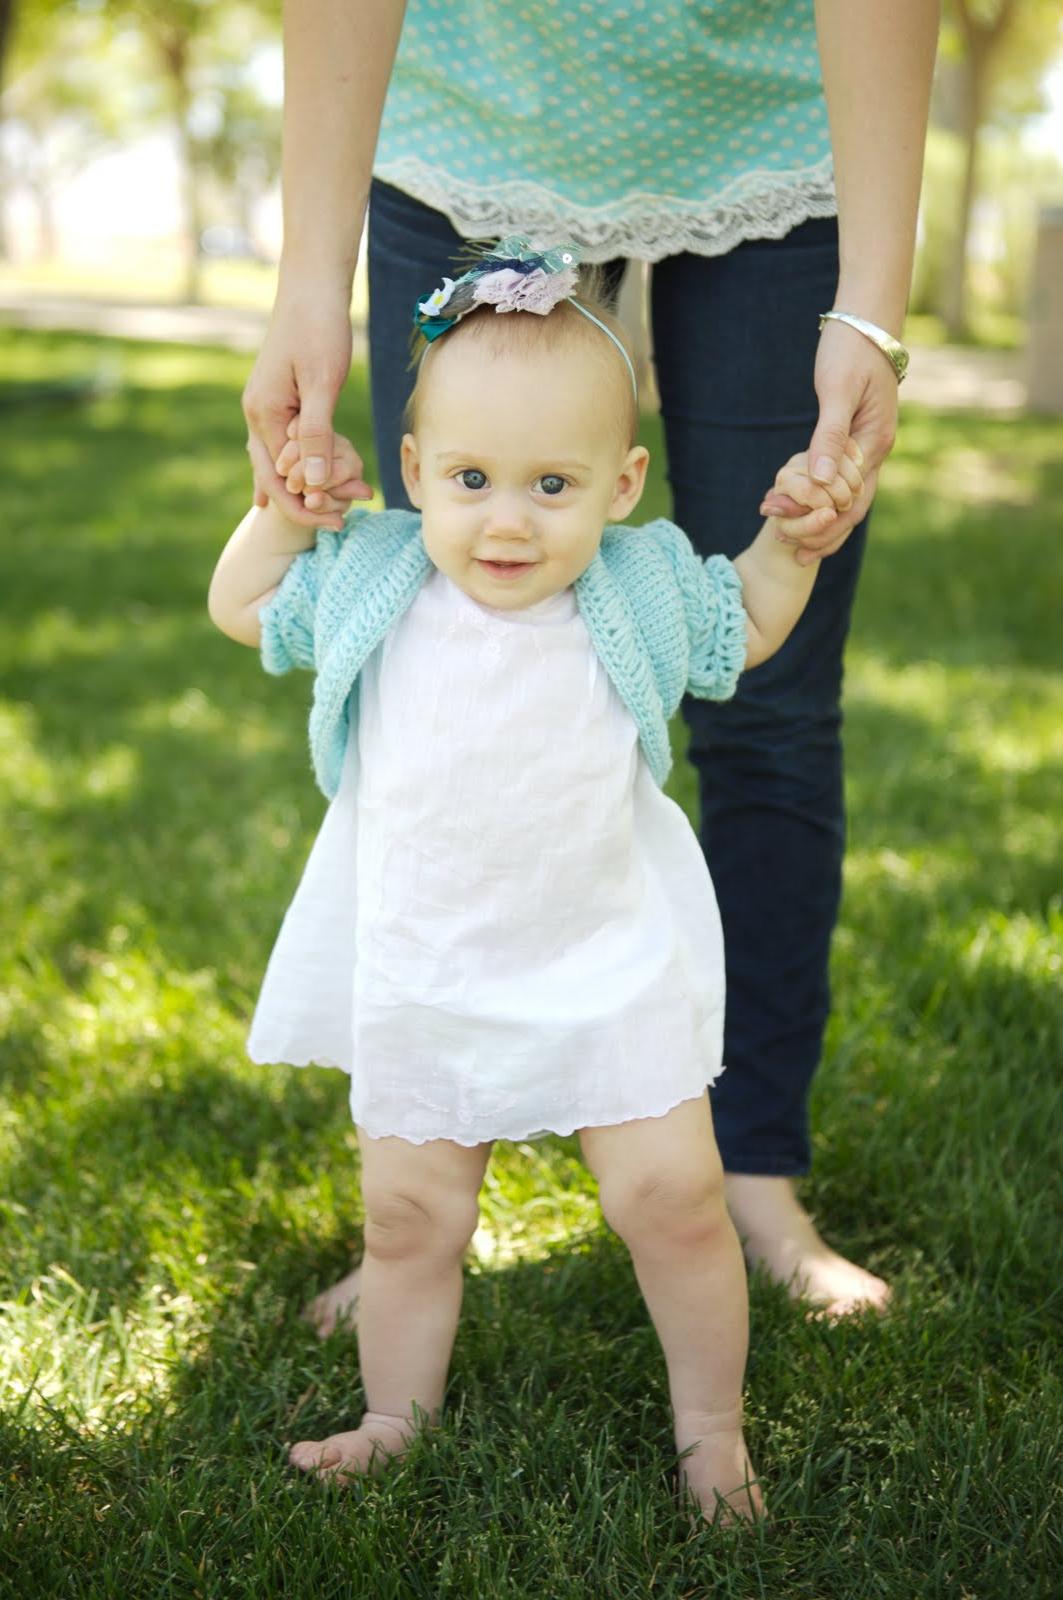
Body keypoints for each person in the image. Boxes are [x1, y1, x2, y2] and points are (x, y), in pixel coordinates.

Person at [243, 0, 938, 1320]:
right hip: (465, 132)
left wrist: (870, 312)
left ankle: (747, 1167)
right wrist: (302, 284)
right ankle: (421, 1210)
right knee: (418, 647)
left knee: (772, 703)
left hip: (775, 145)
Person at [209, 249, 865, 1516]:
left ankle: (712, 1431)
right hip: (429, 964)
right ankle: (394, 1413)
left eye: (551, 485)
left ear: (623, 487)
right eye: (470, 480)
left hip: (601, 958)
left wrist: (793, 543)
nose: (506, 520)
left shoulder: (636, 587)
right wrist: (286, 514)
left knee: (671, 1200)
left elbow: (750, 621)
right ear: (413, 474)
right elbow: (241, 605)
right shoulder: (379, 575)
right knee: (408, 1218)